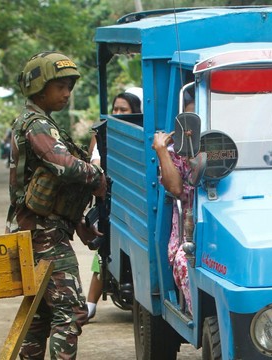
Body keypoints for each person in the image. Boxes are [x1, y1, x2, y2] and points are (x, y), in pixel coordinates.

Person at [6, 51, 106, 360]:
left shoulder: (40, 123)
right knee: (70, 310)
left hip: (39, 230)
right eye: (59, 86)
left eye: (69, 87)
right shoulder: (36, 124)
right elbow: (64, 166)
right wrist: (98, 177)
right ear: (38, 87)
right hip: (42, 233)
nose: (66, 93)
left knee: (40, 316)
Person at [85, 89, 142, 321]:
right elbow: (96, 163)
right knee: (102, 250)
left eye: (123, 110)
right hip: (109, 201)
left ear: (135, 113)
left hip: (131, 201)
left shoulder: (138, 136)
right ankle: (89, 304)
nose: (117, 113)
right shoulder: (103, 134)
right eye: (116, 109)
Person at [152, 129, 194, 314]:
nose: (193, 130)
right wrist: (162, 149)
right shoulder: (177, 153)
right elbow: (176, 188)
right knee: (184, 262)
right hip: (191, 236)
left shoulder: (225, 148)